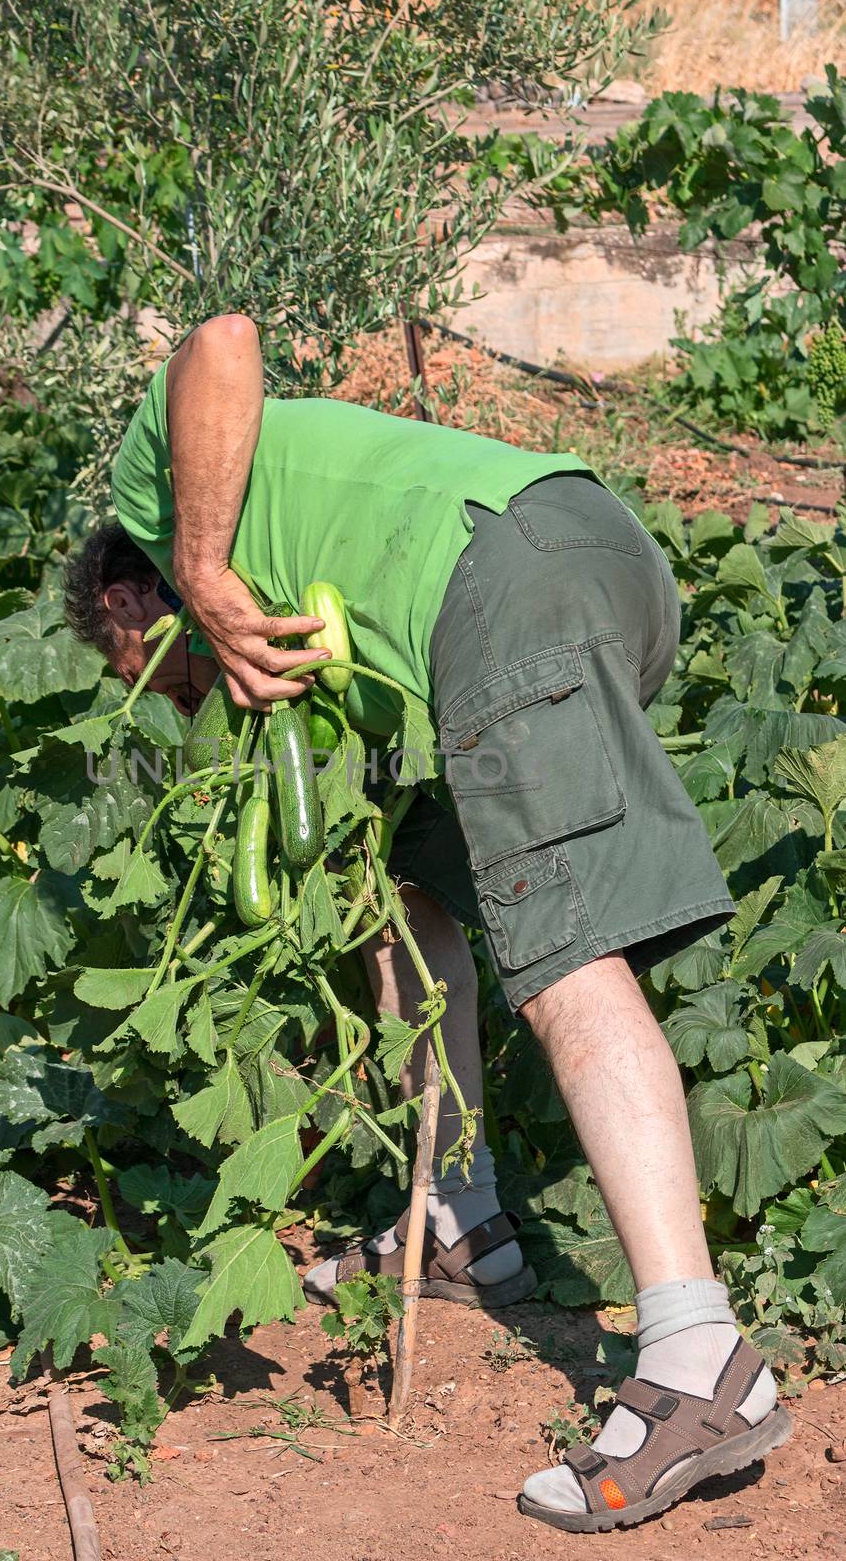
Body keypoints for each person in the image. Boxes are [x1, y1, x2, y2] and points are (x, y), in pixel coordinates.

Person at [64, 313, 790, 1532]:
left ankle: (694, 1357)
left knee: (560, 955)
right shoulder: (281, 549)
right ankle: (460, 1218)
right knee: (405, 899)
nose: (172, 693)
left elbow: (228, 338)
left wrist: (199, 571)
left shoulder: (162, 499)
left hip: (503, 583)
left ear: (126, 593)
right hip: (569, 564)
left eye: (148, 665)